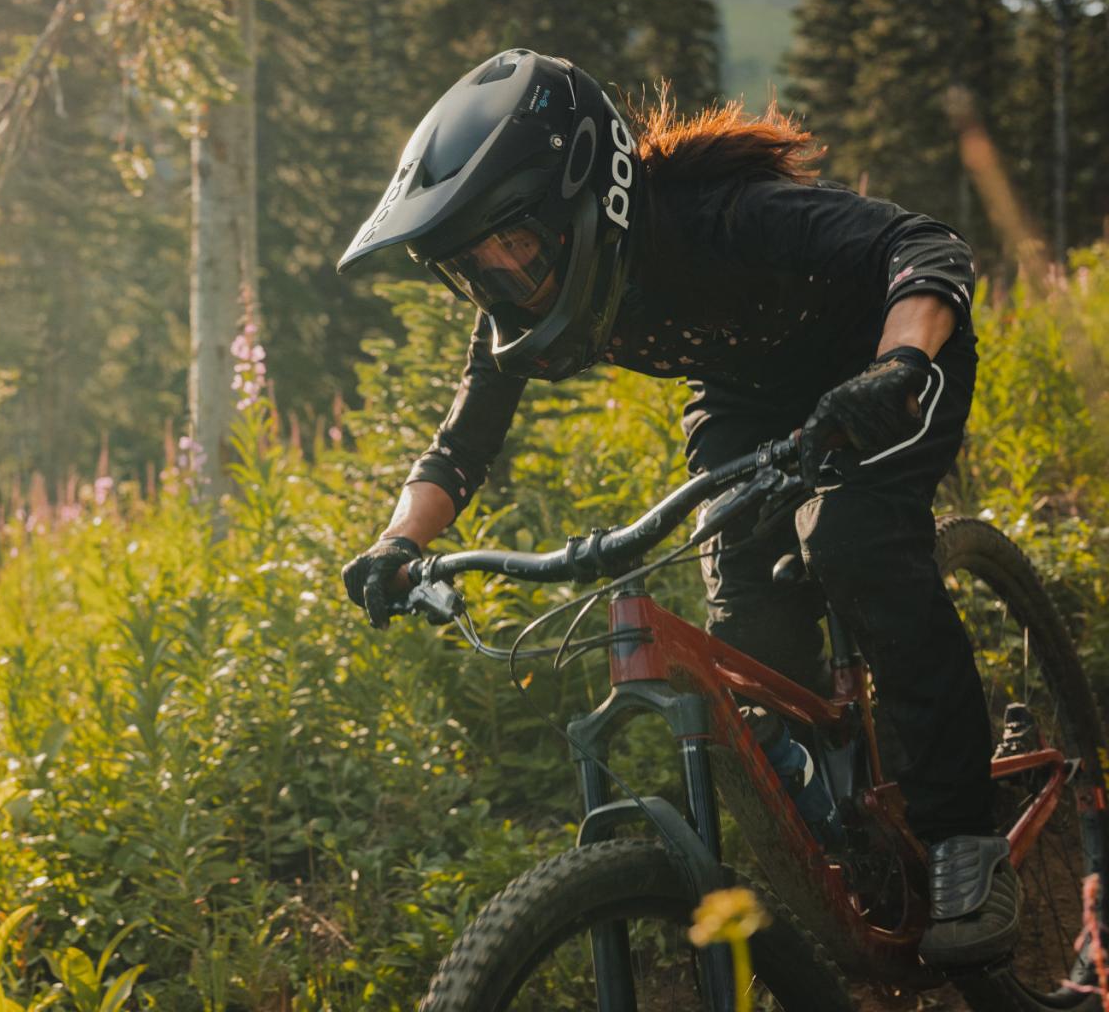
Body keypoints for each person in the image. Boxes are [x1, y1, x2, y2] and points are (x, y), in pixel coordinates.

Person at [336, 48, 1016, 967]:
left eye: (520, 248)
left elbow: (924, 246)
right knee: (743, 633)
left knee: (854, 539)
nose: (507, 277)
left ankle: (964, 834)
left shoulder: (726, 217)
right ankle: (849, 835)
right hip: (747, 396)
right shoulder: (522, 311)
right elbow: (464, 439)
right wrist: (397, 544)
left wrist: (897, 366)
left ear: (583, 200)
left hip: (883, 352)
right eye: (482, 269)